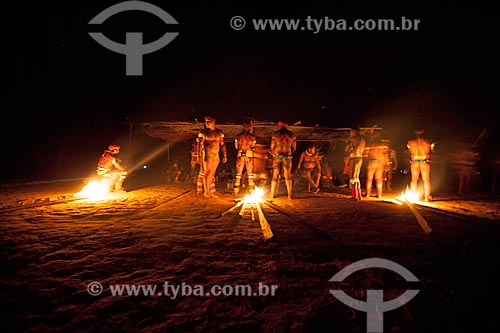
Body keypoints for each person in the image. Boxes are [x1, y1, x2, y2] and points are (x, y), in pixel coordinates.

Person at [197, 116, 227, 198]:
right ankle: (206, 192)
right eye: (205, 121)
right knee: (207, 172)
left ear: (213, 122)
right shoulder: (204, 132)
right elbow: (200, 144)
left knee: (212, 174)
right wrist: (199, 155)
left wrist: (224, 155)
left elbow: (222, 144)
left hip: (216, 154)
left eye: (208, 121)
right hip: (208, 153)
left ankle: (209, 191)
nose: (206, 123)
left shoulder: (219, 132)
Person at [269, 122, 297, 200]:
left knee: (275, 176)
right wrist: (290, 153)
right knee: (287, 176)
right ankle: (289, 195)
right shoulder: (292, 135)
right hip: (287, 156)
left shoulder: (275, 135)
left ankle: (271, 195)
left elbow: (272, 147)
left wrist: (274, 154)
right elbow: (294, 148)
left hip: (277, 156)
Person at [407, 128, 435, 202]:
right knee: (426, 180)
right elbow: (432, 151)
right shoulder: (429, 142)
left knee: (414, 180)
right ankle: (427, 197)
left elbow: (409, 152)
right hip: (424, 161)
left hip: (415, 161)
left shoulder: (410, 142)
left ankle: (412, 197)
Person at [233, 121, 257, 196]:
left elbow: (236, 147)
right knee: (250, 174)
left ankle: (236, 191)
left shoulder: (238, 136)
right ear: (250, 127)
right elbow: (253, 147)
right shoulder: (253, 137)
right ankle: (252, 191)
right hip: (249, 155)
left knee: (238, 174)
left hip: (240, 155)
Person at [364, 131, 389, 199]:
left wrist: (367, 162)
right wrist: (387, 164)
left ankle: (368, 194)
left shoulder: (369, 145)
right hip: (380, 162)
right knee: (378, 179)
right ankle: (379, 194)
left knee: (369, 179)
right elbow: (386, 155)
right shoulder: (383, 145)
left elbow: (365, 155)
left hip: (371, 162)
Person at [345, 127, 366, 201]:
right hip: (360, 158)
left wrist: (349, 148)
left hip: (354, 158)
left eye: (351, 132)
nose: (350, 133)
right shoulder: (363, 140)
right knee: (356, 177)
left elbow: (346, 149)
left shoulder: (352, 139)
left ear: (354, 132)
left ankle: (355, 196)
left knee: (353, 178)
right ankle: (359, 195)